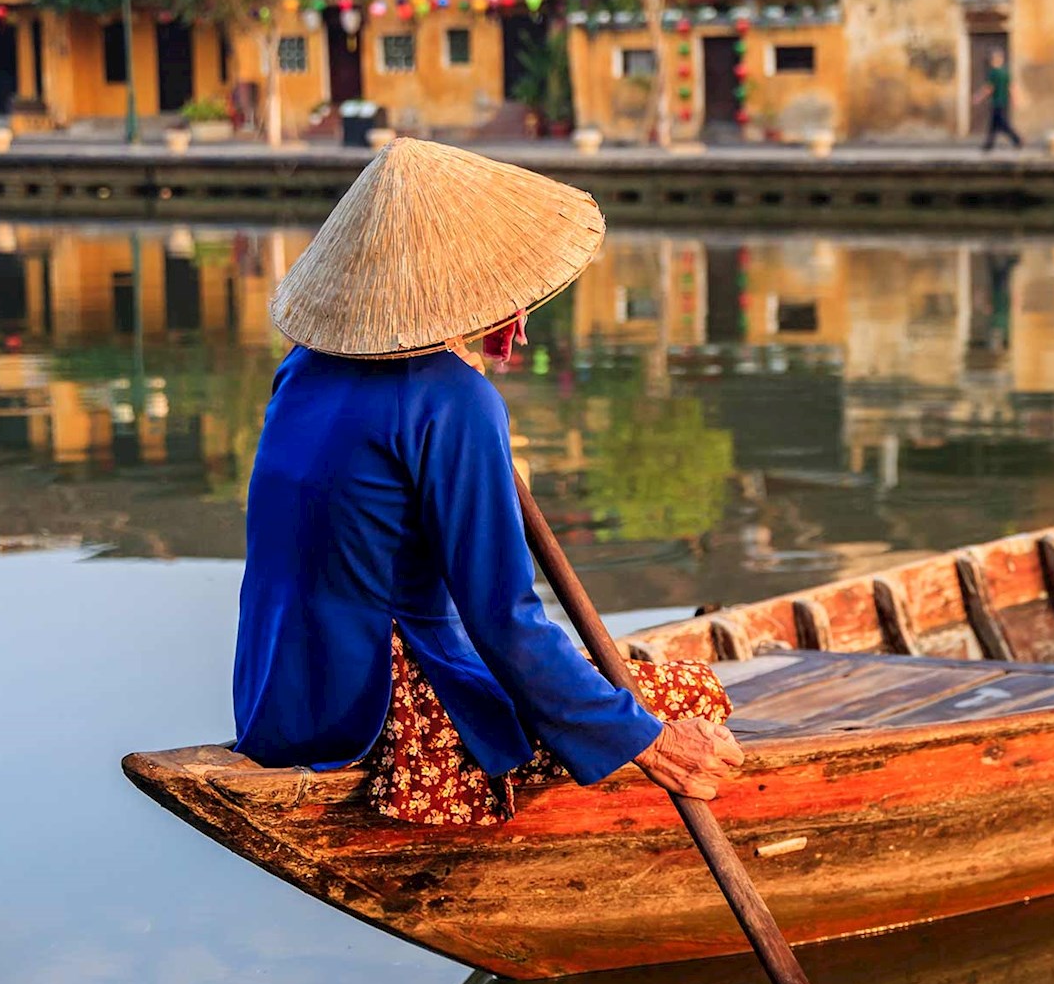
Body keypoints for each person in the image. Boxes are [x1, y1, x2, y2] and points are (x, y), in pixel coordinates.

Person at [233, 139, 742, 827]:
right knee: (696, 692)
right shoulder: (453, 402)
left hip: (274, 698)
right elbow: (501, 617)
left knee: (619, 681)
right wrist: (647, 741)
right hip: (378, 709)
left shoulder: (303, 368)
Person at [977, 47, 1024, 152]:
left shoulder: (993, 73)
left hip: (997, 101)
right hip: (1004, 101)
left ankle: (1017, 139)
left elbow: (989, 88)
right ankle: (988, 145)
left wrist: (978, 97)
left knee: (1002, 124)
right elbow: (1012, 87)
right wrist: (1015, 100)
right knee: (993, 124)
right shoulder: (1005, 72)